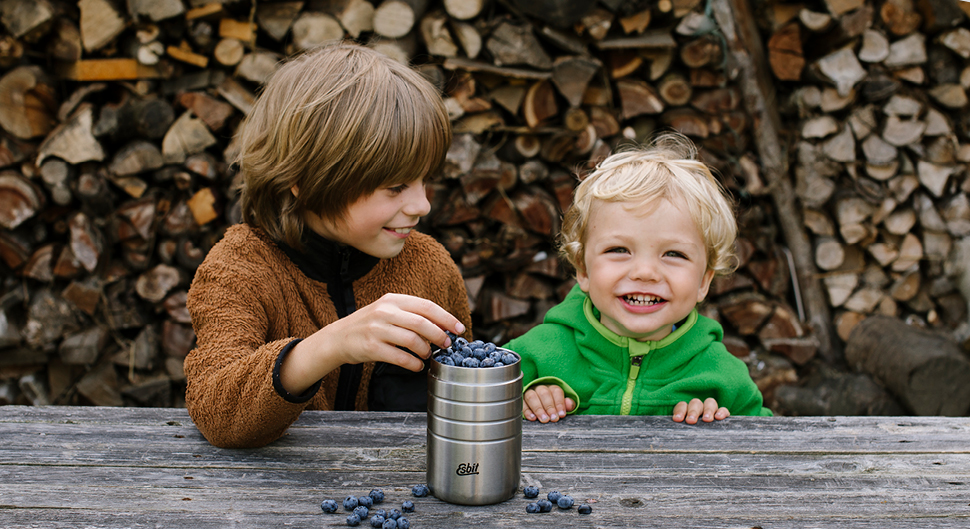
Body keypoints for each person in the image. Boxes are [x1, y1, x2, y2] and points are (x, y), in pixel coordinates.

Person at [184, 42, 471, 448]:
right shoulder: (239, 269)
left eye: (426, 180)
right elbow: (217, 409)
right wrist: (328, 346)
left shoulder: (429, 266)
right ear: (305, 181)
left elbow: (466, 392)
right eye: (395, 187)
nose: (422, 204)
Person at [505, 133, 772, 425]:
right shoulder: (533, 357)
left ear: (703, 282)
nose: (645, 272)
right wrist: (526, 400)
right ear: (582, 270)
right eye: (619, 250)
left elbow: (767, 440)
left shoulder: (721, 376)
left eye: (673, 254)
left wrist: (723, 423)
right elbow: (473, 408)